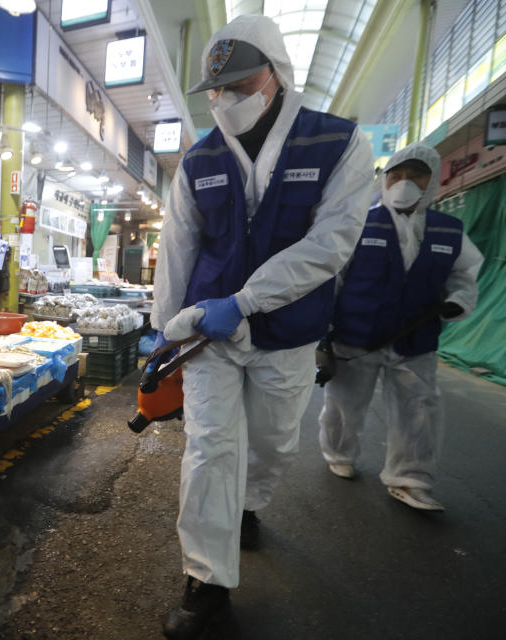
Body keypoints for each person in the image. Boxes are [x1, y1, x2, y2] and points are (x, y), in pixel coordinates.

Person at [150, 15, 374, 639]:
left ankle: (249, 504)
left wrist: (247, 301)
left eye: (240, 85)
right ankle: (206, 579)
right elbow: (178, 249)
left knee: (272, 442)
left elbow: (332, 243)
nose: (225, 101)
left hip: (289, 329)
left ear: (277, 77)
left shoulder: (340, 143)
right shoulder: (199, 159)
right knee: (211, 447)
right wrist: (162, 330)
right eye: (215, 91)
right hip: (208, 334)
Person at [318, 142, 483, 511]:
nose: (404, 182)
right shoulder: (358, 223)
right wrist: (323, 330)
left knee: (419, 410)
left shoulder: (449, 232)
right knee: (344, 404)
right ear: (386, 178)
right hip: (356, 337)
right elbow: (334, 279)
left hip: (416, 340)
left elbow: (465, 276)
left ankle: (409, 479)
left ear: (432, 182)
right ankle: (338, 454)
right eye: (397, 174)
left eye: (416, 176)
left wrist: (458, 300)